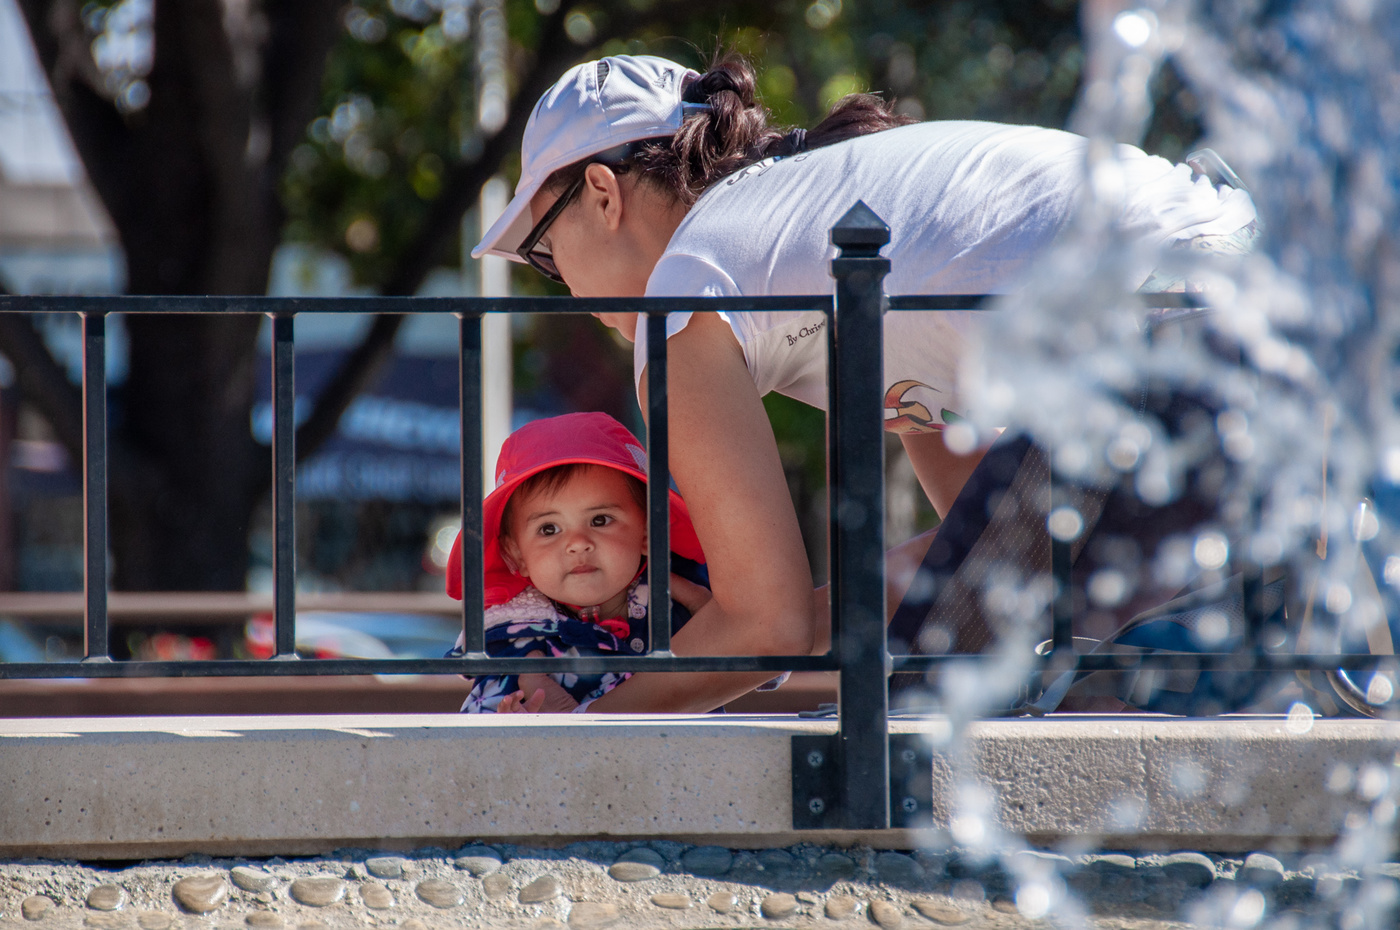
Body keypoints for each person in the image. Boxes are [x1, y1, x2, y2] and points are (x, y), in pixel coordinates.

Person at [469, 53, 1260, 713]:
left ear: (601, 195)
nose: (563, 288)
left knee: (916, 727)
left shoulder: (689, 284)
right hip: (1253, 321)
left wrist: (577, 729)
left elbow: (765, 624)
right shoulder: (807, 225)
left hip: (1167, 343)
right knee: (979, 674)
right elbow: (987, 547)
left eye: (543, 251)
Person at [444, 411, 715, 712]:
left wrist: (714, 620)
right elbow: (477, 744)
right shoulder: (515, 643)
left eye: (600, 520)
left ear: (649, 531)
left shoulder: (687, 600)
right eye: (549, 529)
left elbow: (760, 664)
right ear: (516, 555)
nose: (577, 544)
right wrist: (508, 730)